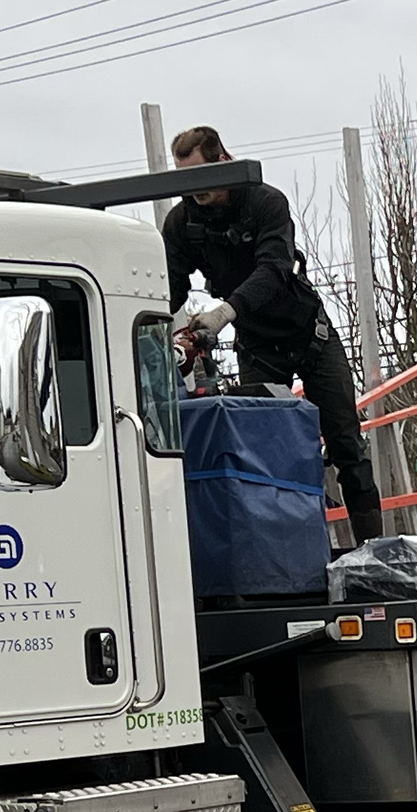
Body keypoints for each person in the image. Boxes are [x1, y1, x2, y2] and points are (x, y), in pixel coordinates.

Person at [155, 125, 388, 541]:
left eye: (201, 178)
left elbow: (275, 269)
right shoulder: (182, 222)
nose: (195, 191)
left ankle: (373, 549)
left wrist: (225, 311)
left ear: (223, 161)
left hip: (310, 337)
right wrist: (148, 327)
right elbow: (170, 288)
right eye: (185, 181)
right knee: (267, 456)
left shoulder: (264, 202)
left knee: (348, 448)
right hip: (258, 347)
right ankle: (289, 555)